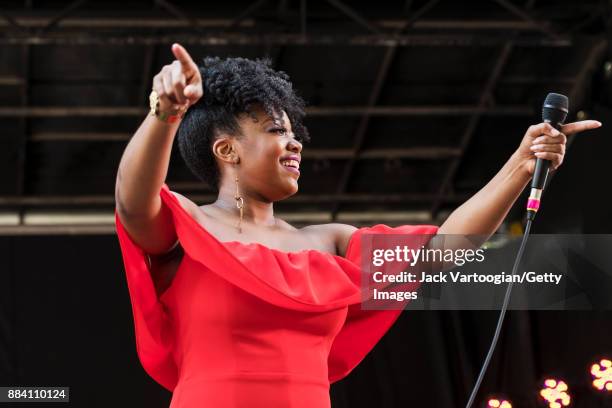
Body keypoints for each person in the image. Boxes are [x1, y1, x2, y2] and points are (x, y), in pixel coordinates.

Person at [113, 43, 601, 407]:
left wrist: (520, 164)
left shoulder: (330, 241)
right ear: (227, 150)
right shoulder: (189, 228)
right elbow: (134, 201)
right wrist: (166, 114)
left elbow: (444, 250)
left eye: (294, 131)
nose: (295, 142)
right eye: (275, 130)